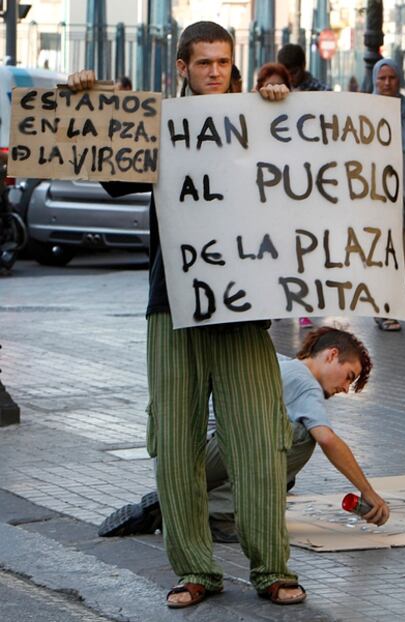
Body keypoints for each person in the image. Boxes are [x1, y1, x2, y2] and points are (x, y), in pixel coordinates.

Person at [68, 22, 305, 609]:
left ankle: (271, 568)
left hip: (245, 310)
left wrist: (285, 110)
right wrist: (87, 104)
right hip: (172, 305)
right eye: (204, 63)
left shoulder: (261, 121)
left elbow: (306, 179)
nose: (216, 72)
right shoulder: (158, 128)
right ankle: (195, 570)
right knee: (175, 444)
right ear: (181, 68)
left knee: (258, 440)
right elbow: (113, 176)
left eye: (224, 62)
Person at [99, 327, 390, 542]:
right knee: (301, 438)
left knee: (284, 475)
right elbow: (327, 439)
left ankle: (179, 502)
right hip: (201, 453)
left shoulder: (275, 360)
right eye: (349, 376)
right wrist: (368, 491)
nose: (344, 389)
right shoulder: (305, 383)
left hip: (180, 454)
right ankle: (215, 514)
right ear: (332, 355)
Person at [254, 62, 313, 329]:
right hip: (264, 208)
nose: (273, 91)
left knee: (296, 257)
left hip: (293, 205)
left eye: (279, 85)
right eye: (267, 86)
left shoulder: (301, 121)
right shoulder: (248, 119)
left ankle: (300, 306)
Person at [372, 58, 405, 332]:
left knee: (404, 255)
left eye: (392, 78)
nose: (387, 83)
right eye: (382, 78)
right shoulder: (364, 111)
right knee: (380, 256)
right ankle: (383, 310)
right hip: (375, 198)